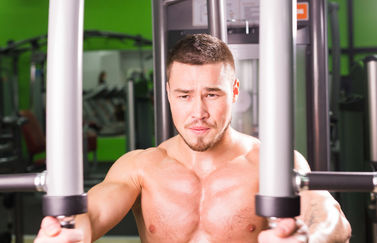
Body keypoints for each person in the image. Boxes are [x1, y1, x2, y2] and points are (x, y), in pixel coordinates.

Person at [35, 34, 351, 243]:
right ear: (168, 95)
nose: (197, 111)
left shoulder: (271, 162)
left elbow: (328, 214)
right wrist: (69, 229)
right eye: (184, 95)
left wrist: (309, 237)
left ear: (235, 92)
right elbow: (94, 211)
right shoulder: (140, 167)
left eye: (211, 94)